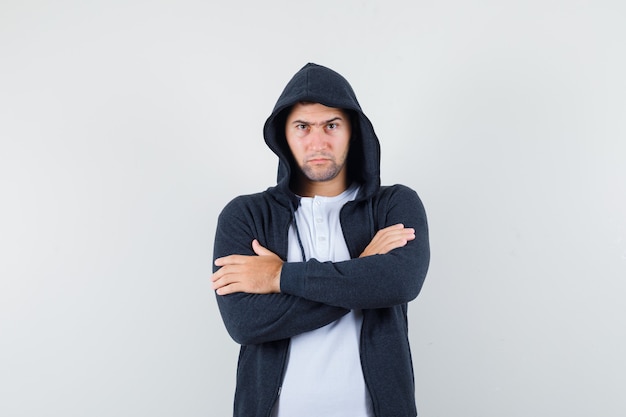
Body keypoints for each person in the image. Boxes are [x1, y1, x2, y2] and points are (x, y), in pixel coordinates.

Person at [211, 63, 430, 417]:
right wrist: (361, 273)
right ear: (284, 135)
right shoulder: (246, 215)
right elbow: (246, 323)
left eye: (332, 125)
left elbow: (398, 282)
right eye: (303, 127)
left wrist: (278, 277)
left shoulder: (394, 205)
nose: (318, 141)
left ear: (352, 132)